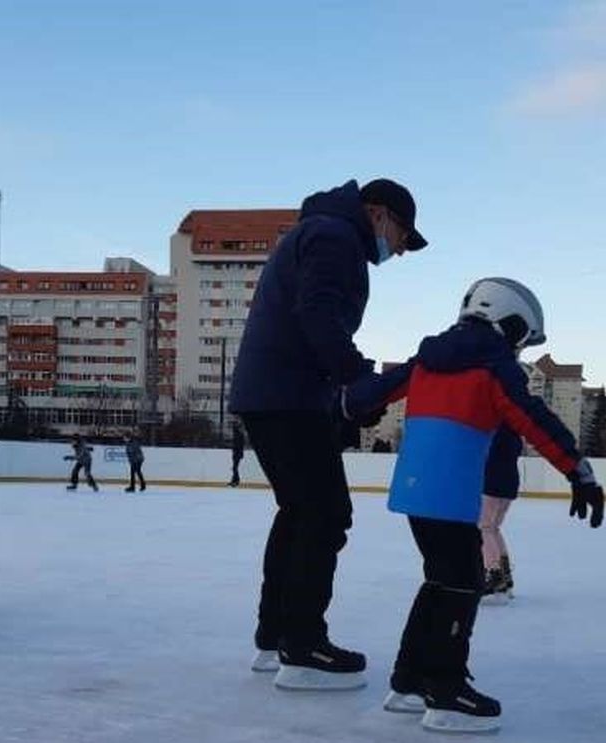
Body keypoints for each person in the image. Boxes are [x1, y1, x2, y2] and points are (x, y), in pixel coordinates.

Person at [342, 277, 605, 733]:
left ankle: (408, 682)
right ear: (511, 323)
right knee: (462, 584)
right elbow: (532, 418)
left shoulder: (427, 357)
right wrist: (577, 470)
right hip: (451, 492)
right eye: (522, 337)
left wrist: (339, 410)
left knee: (440, 581)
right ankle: (446, 692)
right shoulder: (492, 366)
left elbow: (369, 393)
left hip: (413, 488)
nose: (520, 348)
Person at [229, 177, 427, 689]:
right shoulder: (335, 237)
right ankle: (303, 646)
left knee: (299, 513)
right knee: (324, 513)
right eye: (404, 235)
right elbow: (316, 314)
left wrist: (340, 400)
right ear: (379, 214)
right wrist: (358, 378)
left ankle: (275, 637)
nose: (401, 250)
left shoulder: (320, 232)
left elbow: (310, 323)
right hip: (286, 396)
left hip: (274, 393)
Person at [479, 427, 521, 605]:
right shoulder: (514, 434)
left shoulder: (494, 431)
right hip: (509, 484)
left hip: (492, 483)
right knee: (493, 528)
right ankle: (505, 574)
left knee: (484, 527)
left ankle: (493, 571)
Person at [228, 423, 245, 487]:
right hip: (236, 453)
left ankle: (236, 481)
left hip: (237, 453)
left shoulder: (238, 435)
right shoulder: (237, 435)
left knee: (235, 468)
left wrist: (239, 453)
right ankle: (234, 481)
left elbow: (239, 445)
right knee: (234, 468)